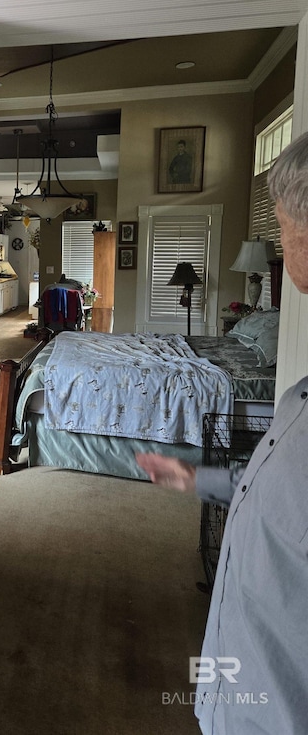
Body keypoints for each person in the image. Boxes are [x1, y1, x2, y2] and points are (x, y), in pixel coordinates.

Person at [136, 130, 308, 735]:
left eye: (285, 224)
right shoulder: (298, 400)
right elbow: (279, 501)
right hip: (239, 692)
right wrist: (196, 475)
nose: (284, 244)